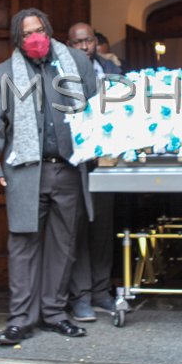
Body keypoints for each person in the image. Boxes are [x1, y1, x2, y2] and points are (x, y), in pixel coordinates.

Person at [0, 8, 98, 346]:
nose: (35, 38)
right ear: (18, 39)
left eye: (39, 30)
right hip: (26, 173)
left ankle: (55, 313)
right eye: (27, 33)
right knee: (23, 245)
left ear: (49, 30)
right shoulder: (2, 73)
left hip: (69, 169)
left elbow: (96, 109)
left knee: (63, 245)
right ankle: (20, 320)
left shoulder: (77, 62)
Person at [65, 22, 123, 321]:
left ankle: (101, 291)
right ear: (69, 45)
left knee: (102, 228)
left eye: (88, 41)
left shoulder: (111, 70)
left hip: (105, 160)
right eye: (78, 42)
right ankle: (81, 297)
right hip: (73, 162)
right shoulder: (59, 72)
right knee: (78, 229)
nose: (84, 47)